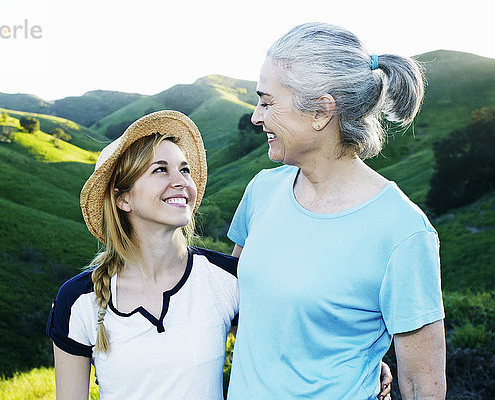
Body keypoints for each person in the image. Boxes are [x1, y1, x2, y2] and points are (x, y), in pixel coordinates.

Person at [46, 110, 393, 400]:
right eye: (160, 170)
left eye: (184, 169)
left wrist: (363, 362)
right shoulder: (78, 300)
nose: (181, 180)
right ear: (123, 199)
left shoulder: (226, 278)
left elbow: (297, 332)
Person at [226, 22, 446, 399]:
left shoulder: (403, 232)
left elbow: (421, 385)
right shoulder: (262, 190)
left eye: (267, 101)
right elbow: (236, 305)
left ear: (321, 112)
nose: (256, 116)